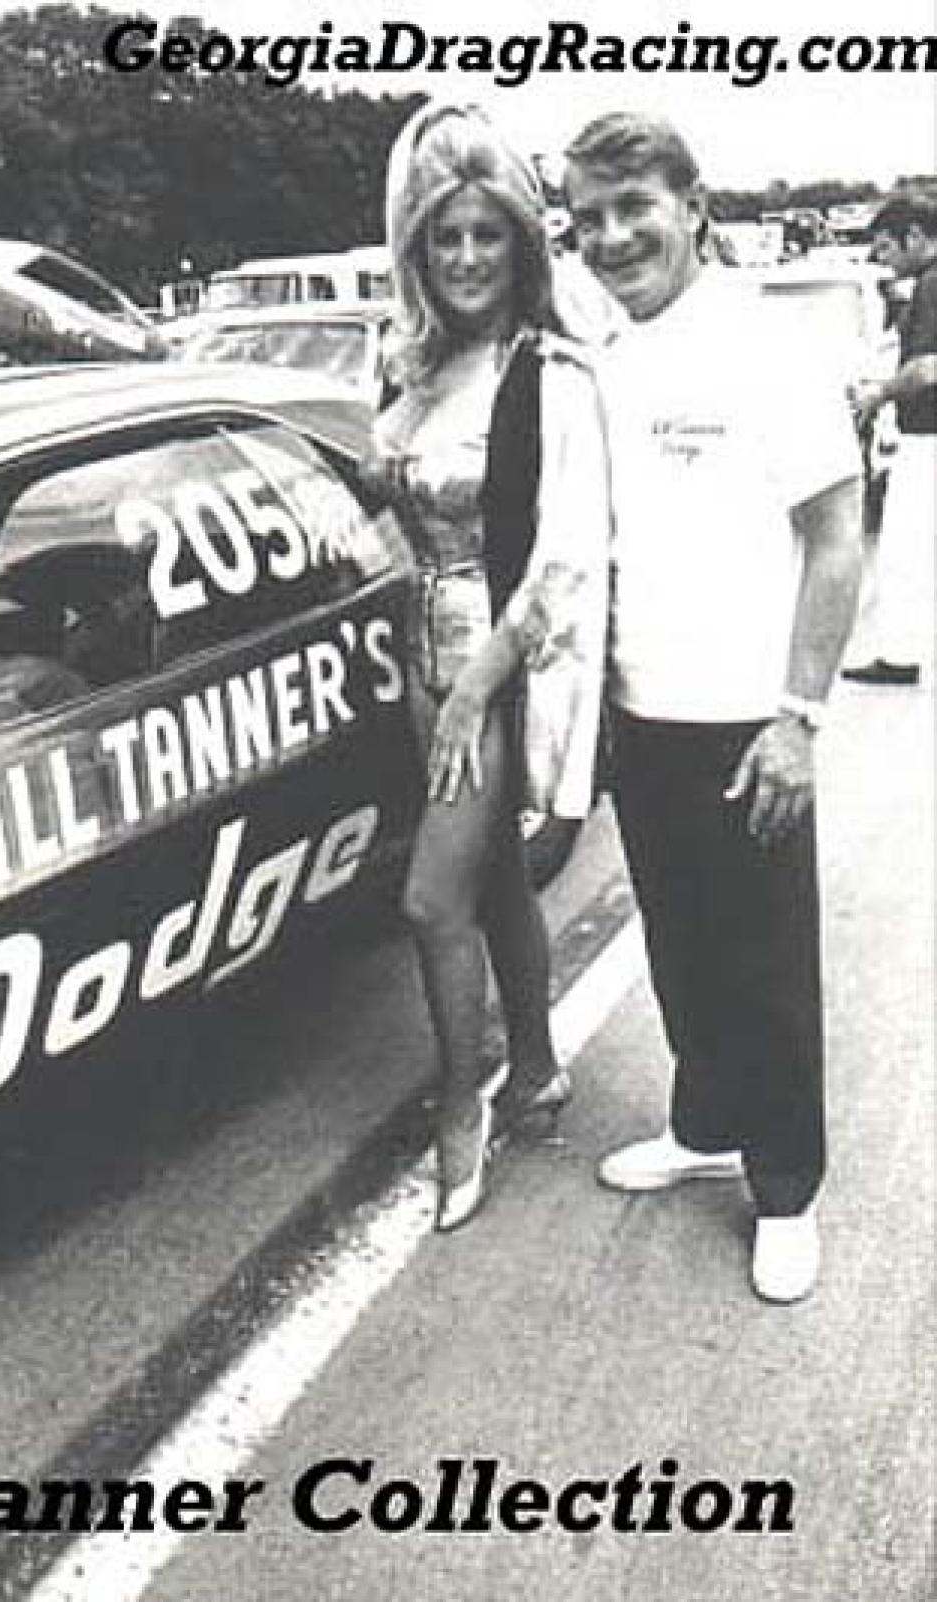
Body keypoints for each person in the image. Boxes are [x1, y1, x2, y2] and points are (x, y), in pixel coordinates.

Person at [562, 113, 864, 1303]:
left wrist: (796, 717)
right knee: (680, 948)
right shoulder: (607, 357)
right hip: (642, 712)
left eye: (632, 208)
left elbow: (834, 540)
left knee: (762, 967)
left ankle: (784, 1189)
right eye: (587, 219)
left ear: (692, 207)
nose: (610, 237)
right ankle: (704, 1129)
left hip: (746, 721)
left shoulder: (762, 343)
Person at [362, 101, 610, 1233]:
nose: (466, 258)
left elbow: (565, 556)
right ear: (418, 248)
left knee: (430, 900)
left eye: (486, 235)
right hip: (419, 654)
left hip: (503, 666)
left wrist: (477, 685)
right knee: (493, 878)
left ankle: (461, 1107)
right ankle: (540, 1068)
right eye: (445, 237)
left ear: (520, 242)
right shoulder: (409, 362)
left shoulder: (550, 373)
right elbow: (392, 510)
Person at [842, 189, 937, 686]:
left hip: (929, 439)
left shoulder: (931, 285)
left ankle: (899, 657)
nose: (880, 258)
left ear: (915, 237)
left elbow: (926, 369)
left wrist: (878, 395)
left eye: (885, 246)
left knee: (903, 553)